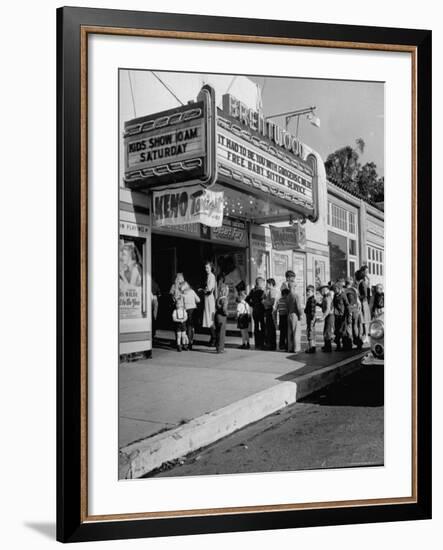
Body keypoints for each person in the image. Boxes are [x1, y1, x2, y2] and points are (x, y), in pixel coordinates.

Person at [246, 277, 266, 349]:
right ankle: (262, 342)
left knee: (256, 326)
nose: (263, 284)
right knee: (263, 326)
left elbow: (247, 299)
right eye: (263, 283)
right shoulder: (261, 291)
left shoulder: (252, 291)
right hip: (261, 310)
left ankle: (257, 343)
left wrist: (252, 305)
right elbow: (263, 301)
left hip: (255, 310)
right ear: (260, 283)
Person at [344, 276, 363, 349]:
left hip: (350, 309)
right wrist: (359, 309)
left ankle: (349, 343)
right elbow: (358, 301)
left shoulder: (345, 290)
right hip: (356, 309)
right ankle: (358, 342)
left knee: (349, 326)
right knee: (355, 326)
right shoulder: (354, 290)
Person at [181, 281, 200, 350]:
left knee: (185, 327)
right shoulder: (192, 291)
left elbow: (181, 304)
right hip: (193, 311)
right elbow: (198, 300)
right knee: (191, 327)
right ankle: (190, 342)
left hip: (185, 310)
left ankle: (185, 344)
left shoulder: (182, 294)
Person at [332, 283, 351, 351]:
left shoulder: (343, 295)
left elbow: (347, 305)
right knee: (337, 331)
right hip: (336, 315)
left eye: (336, 289)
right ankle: (338, 346)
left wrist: (348, 316)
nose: (334, 290)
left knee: (343, 331)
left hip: (342, 316)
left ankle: (346, 346)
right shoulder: (335, 295)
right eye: (334, 289)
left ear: (339, 288)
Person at [202, 262, 217, 347]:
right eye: (205, 268)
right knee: (208, 318)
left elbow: (209, 289)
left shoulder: (212, 276)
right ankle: (212, 337)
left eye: (207, 267)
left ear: (211, 268)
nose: (206, 269)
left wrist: (204, 290)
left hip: (209, 299)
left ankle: (214, 338)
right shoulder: (208, 276)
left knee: (210, 318)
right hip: (207, 299)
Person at [357, 265, 371, 342]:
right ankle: (365, 335)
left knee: (364, 319)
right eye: (365, 271)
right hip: (363, 301)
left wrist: (359, 297)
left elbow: (365, 294)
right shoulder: (362, 282)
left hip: (363, 302)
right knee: (362, 320)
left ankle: (366, 336)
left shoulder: (363, 282)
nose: (366, 273)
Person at [287, 281, 302, 353]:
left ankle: (290, 347)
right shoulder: (296, 296)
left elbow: (287, 307)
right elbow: (298, 307)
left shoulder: (288, 296)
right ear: (294, 287)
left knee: (290, 332)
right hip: (295, 315)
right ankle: (296, 348)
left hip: (289, 314)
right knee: (296, 332)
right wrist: (301, 314)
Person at [263, 278, 278, 350]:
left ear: (271, 284)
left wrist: (264, 302)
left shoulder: (272, 291)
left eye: (267, 283)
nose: (266, 285)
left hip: (270, 310)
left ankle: (271, 345)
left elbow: (272, 302)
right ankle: (271, 344)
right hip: (269, 310)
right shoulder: (269, 291)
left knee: (270, 328)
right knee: (269, 328)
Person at [214, 284, 229, 354]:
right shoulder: (225, 299)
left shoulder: (218, 298)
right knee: (222, 333)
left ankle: (217, 347)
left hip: (217, 316)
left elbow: (216, 307)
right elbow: (224, 309)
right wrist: (227, 313)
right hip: (222, 317)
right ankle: (221, 348)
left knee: (218, 332)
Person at [319, 284, 334, 352]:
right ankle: (326, 346)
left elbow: (328, 309)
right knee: (326, 331)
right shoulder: (326, 297)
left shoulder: (328, 297)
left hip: (330, 315)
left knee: (327, 332)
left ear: (325, 289)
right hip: (329, 315)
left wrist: (323, 317)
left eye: (321, 290)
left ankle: (328, 348)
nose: (320, 292)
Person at [304, 285, 318, 353]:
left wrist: (312, 319)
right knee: (311, 331)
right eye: (307, 291)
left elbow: (312, 310)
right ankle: (312, 346)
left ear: (312, 291)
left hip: (310, 318)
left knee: (310, 332)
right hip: (309, 317)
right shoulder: (310, 299)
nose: (307, 293)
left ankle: (311, 347)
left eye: (309, 291)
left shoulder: (311, 299)